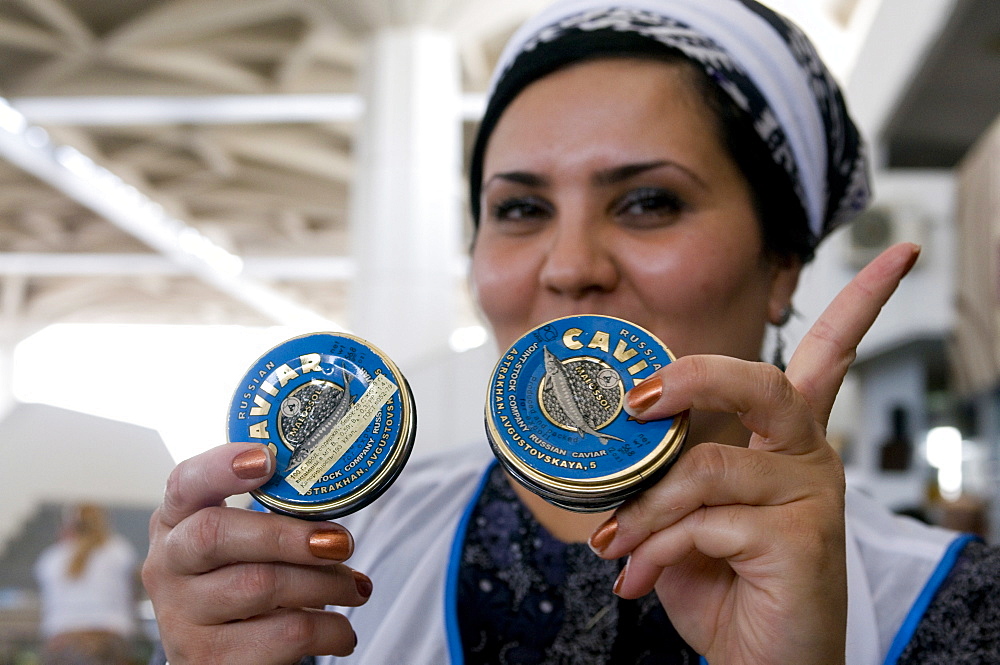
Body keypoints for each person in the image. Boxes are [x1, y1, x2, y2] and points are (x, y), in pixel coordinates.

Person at [140, 1, 1000, 663]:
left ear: (782, 263)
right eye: (519, 208)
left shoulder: (955, 604)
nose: (569, 264)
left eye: (649, 201)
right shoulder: (336, 565)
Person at [34, 503, 139, 665]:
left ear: (67, 526)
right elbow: (133, 594)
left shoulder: (52, 557)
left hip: (62, 640)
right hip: (108, 639)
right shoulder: (119, 551)